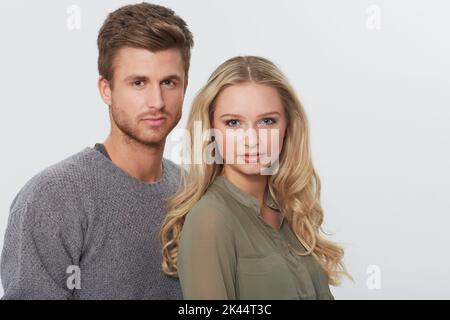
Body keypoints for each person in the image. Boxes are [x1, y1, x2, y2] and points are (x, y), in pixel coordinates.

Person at [1, 3, 193, 299]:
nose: (156, 101)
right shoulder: (53, 196)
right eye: (138, 83)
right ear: (106, 89)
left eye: (168, 82)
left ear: (185, 87)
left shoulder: (190, 190)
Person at [160, 56, 352, 299]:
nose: (251, 139)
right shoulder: (210, 219)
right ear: (211, 129)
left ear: (288, 126)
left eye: (267, 121)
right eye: (233, 123)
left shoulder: (292, 210)